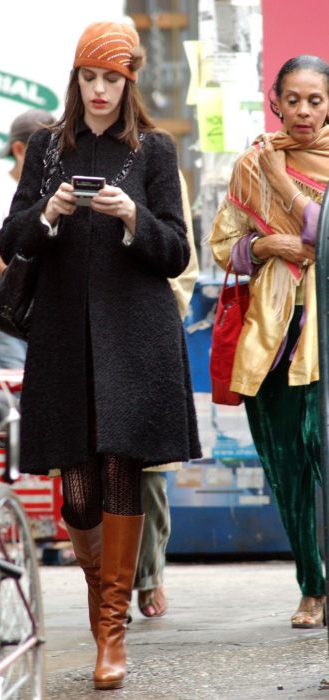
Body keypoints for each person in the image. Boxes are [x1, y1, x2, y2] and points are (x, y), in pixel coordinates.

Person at [0, 20, 201, 690]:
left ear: (129, 81)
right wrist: (50, 212)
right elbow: (12, 238)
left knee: (121, 469)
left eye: (111, 79)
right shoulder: (51, 151)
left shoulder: (153, 153)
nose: (99, 90)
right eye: (90, 77)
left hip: (134, 339)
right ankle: (101, 602)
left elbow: (175, 249)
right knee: (78, 494)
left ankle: (111, 631)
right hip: (63, 338)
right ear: (76, 78)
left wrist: (132, 219)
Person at [209, 55, 329, 629]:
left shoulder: (287, 166)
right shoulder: (249, 165)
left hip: (325, 339)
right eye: (294, 100)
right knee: (286, 468)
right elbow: (222, 245)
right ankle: (311, 584)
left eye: (317, 100)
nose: (304, 111)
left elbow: (322, 234)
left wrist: (284, 182)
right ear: (275, 101)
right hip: (274, 337)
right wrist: (266, 248)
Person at [134, 170, 199, 619]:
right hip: (87, 330)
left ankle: (148, 573)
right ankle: (107, 583)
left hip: (145, 326)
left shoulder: (159, 162)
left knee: (148, 469)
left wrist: (158, 313)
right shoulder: (64, 157)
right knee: (89, 470)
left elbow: (184, 259)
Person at [0, 108, 53, 368]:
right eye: (45, 150)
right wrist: (41, 284)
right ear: (19, 149)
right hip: (5, 319)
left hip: (38, 318)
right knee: (13, 403)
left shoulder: (51, 190)